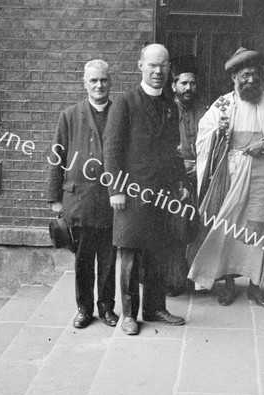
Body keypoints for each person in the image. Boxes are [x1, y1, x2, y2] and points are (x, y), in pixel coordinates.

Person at [188, 48, 264, 307]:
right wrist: (219, 132)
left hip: (263, 177)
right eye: (245, 76)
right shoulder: (223, 104)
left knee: (258, 231)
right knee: (228, 230)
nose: (251, 81)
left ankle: (255, 285)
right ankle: (228, 284)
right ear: (234, 78)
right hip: (231, 176)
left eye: (254, 75)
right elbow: (204, 135)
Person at [103, 43, 188, 336]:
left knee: (159, 252)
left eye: (163, 65)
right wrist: (115, 189)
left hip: (163, 194)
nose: (158, 71)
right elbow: (112, 149)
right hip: (130, 193)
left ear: (169, 68)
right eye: (152, 64)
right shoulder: (125, 103)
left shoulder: (169, 105)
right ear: (140, 65)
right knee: (130, 253)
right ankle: (129, 314)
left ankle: (154, 308)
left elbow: (173, 152)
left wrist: (180, 186)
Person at [47, 60, 118, 329]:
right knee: (84, 260)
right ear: (84, 83)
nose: (99, 85)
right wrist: (55, 198)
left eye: (103, 80)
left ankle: (107, 308)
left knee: (109, 261)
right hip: (81, 200)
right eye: (93, 81)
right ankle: (85, 309)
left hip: (111, 200)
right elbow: (57, 157)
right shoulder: (70, 115)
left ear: (111, 81)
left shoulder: (120, 112)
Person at [165, 55, 207, 296]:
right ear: (174, 86)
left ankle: (196, 277)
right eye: (183, 84)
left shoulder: (205, 110)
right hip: (176, 179)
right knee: (176, 229)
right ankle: (174, 280)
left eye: (192, 83)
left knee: (199, 229)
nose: (188, 88)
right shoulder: (168, 111)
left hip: (201, 178)